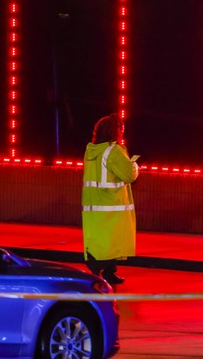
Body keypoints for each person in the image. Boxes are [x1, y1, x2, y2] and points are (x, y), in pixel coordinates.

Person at [82, 113, 139, 286]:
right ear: (116, 132)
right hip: (111, 205)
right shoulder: (113, 151)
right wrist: (134, 165)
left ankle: (99, 273)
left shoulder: (90, 150)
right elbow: (128, 175)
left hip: (94, 205)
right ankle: (107, 273)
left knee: (97, 241)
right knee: (113, 241)